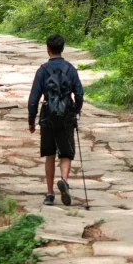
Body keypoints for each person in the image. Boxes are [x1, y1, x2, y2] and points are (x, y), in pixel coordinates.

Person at [28, 33, 84, 206]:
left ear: (48, 49)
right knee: (66, 152)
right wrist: (76, 110)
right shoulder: (70, 69)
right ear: (63, 48)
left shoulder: (42, 71)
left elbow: (33, 98)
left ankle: (50, 193)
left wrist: (31, 120)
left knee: (50, 154)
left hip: (48, 116)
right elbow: (79, 93)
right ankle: (65, 181)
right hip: (66, 114)